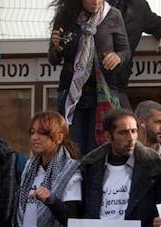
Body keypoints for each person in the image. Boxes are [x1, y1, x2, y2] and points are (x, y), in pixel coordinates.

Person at [49, 0, 130, 155]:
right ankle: (73, 179)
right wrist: (57, 48)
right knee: (72, 147)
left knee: (99, 147)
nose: (96, 2)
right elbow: (53, 58)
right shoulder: (65, 16)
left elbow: (125, 51)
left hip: (103, 92)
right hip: (72, 95)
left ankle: (95, 178)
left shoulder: (113, 14)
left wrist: (117, 57)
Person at [106, 0, 161, 109]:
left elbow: (159, 25)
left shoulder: (138, 6)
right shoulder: (93, 4)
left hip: (118, 83)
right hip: (89, 84)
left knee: (126, 123)